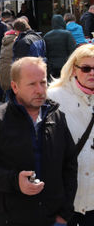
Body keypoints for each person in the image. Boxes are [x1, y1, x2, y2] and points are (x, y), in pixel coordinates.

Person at [0, 57, 77, 226]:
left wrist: (65, 213)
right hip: (9, 219)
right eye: (32, 84)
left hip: (54, 219)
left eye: (43, 82)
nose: (39, 90)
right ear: (15, 87)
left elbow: (70, 165)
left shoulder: (57, 116)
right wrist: (14, 181)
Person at [48, 45, 94, 225]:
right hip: (65, 199)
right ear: (74, 69)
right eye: (86, 68)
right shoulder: (53, 98)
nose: (92, 73)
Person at [44, 15, 76, 79]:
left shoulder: (46, 36)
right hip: (65, 64)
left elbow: (45, 52)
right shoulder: (67, 34)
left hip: (52, 66)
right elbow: (73, 50)